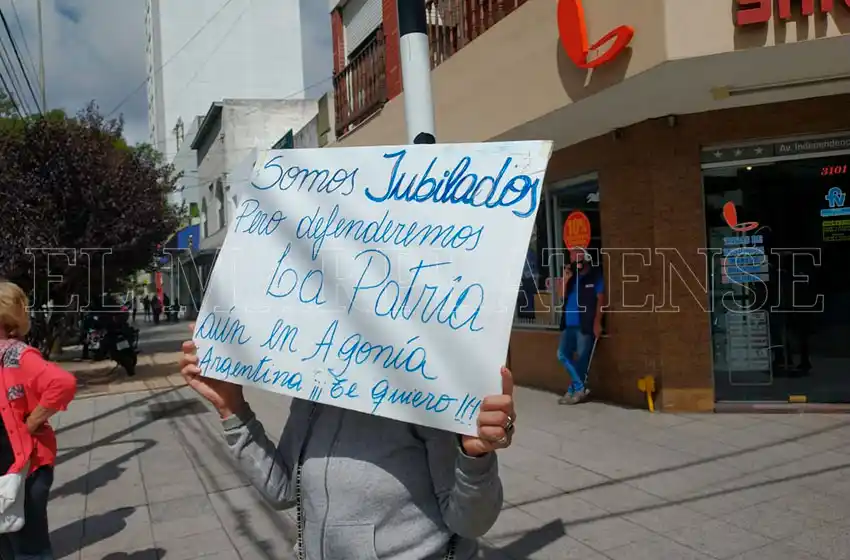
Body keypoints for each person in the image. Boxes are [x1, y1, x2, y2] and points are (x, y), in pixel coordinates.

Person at [179, 333, 516, 559]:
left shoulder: (424, 385)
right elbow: (284, 490)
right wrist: (232, 408)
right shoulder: (316, 386)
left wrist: (475, 456)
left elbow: (470, 523)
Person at [0, 281, 77, 559]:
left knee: (29, 548)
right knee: (6, 545)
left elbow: (63, 383)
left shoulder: (18, 355)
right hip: (3, 470)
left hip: (26, 469)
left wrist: (31, 423)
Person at [557, 249, 604, 405]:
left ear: (586, 256)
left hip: (585, 324)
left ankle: (573, 390)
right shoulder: (572, 277)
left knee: (582, 360)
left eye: (577, 254)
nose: (573, 257)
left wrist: (597, 322)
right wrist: (565, 279)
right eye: (571, 255)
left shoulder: (595, 276)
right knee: (562, 354)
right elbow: (561, 295)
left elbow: (601, 301)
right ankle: (579, 387)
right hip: (568, 324)